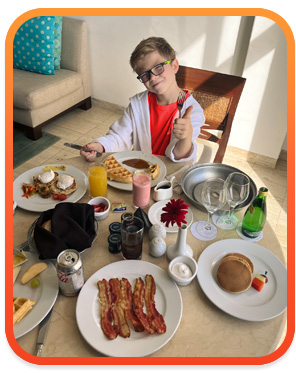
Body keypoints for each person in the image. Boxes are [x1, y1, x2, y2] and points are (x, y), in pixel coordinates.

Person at [80, 36, 205, 162]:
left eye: (158, 67)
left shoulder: (192, 111)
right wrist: (101, 146)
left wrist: (186, 137)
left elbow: (180, 157)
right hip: (142, 171)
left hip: (173, 176)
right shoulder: (138, 104)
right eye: (145, 74)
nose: (152, 77)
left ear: (174, 66)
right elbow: (120, 137)